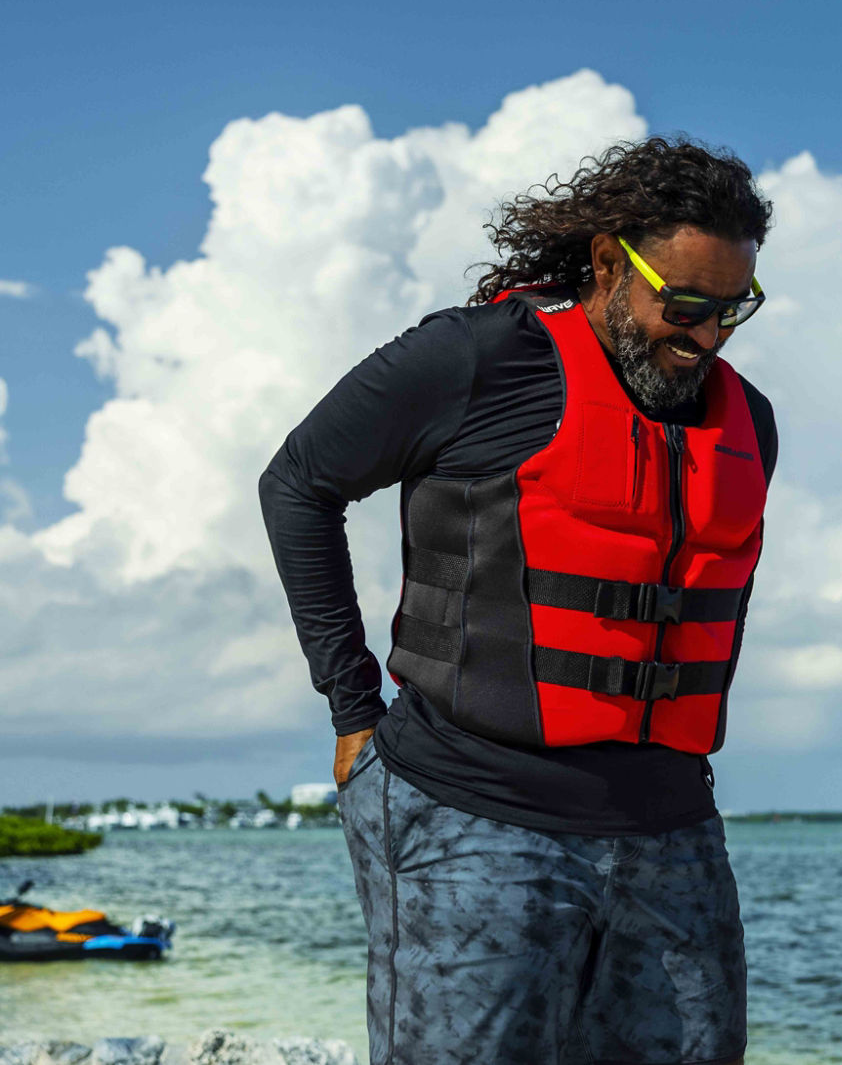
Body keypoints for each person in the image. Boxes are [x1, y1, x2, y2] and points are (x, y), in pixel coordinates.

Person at [261, 137, 777, 1065]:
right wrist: (350, 705)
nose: (705, 336)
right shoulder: (474, 360)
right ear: (611, 262)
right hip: (470, 809)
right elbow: (298, 484)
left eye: (733, 310)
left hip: (672, 828)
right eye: (686, 305)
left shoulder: (751, 422)